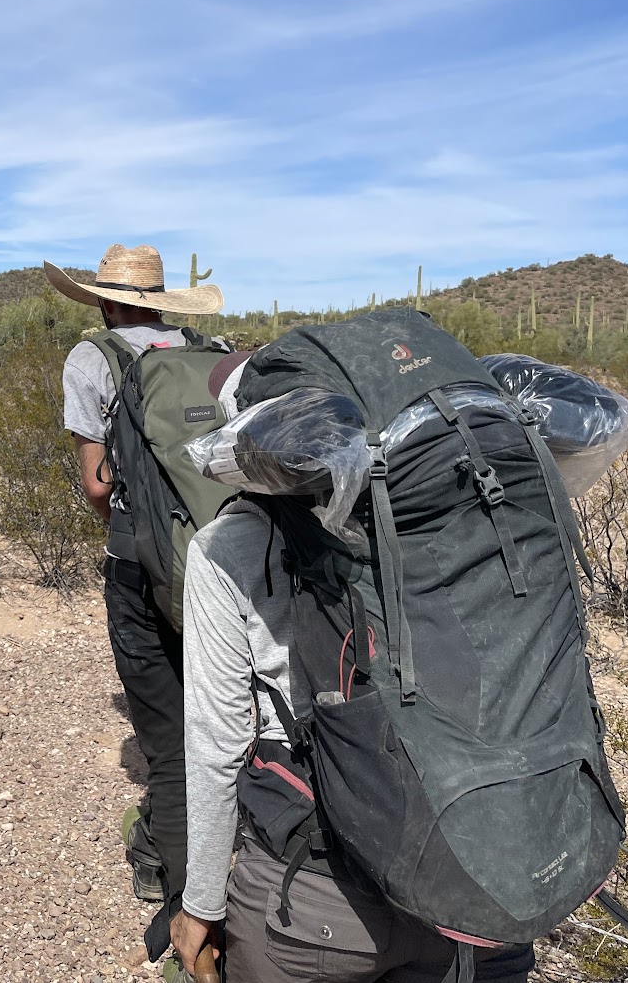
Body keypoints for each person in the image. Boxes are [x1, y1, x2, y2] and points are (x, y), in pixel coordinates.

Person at [169, 356, 536, 983]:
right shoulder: (455, 518)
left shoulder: (226, 548)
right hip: (467, 873)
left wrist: (201, 903)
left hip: (312, 896)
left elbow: (217, 745)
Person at [44, 243, 230, 966]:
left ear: (101, 300)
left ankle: (194, 924)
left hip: (141, 569)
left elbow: (97, 484)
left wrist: (130, 531)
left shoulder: (93, 358)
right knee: (225, 724)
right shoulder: (209, 353)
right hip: (227, 563)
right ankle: (177, 845)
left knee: (171, 743)